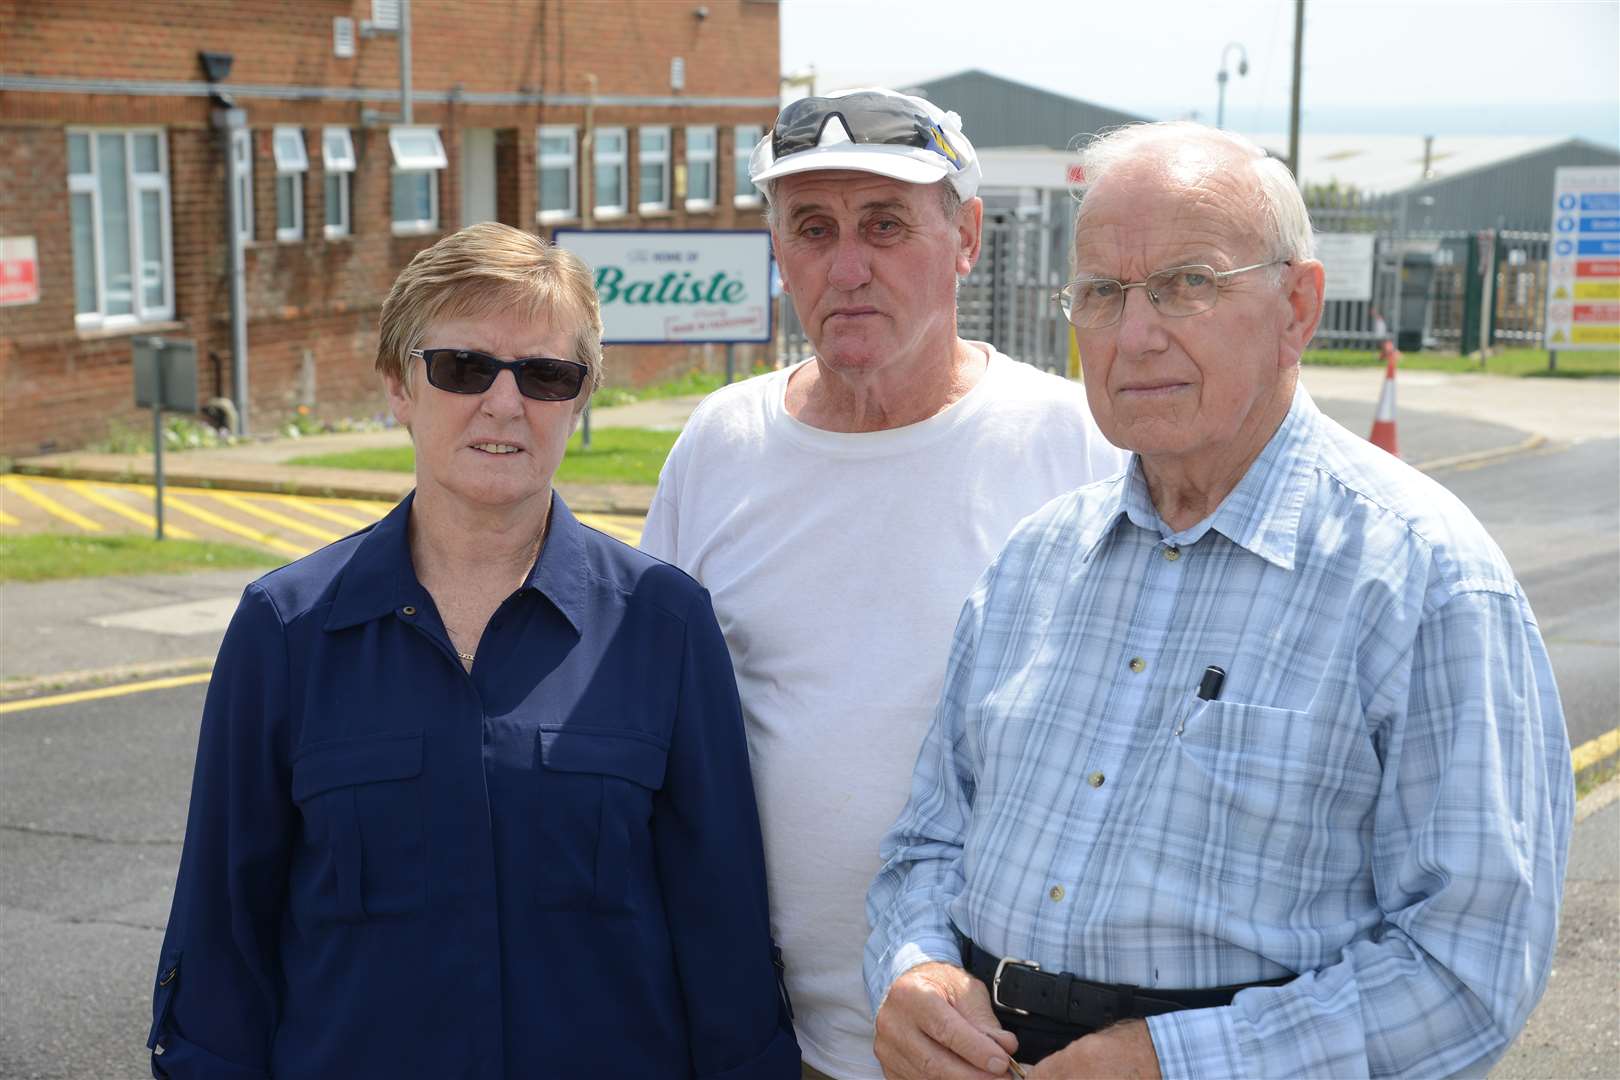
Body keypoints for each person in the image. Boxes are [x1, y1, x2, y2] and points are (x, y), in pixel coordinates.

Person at [865, 121, 1574, 1080]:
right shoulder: (1035, 562)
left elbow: (1468, 968)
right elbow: (928, 841)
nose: (1136, 333)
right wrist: (911, 970)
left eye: (1188, 284)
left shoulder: (1424, 581)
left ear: (1298, 306)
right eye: (1104, 294)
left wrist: (1185, 1062)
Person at [147, 222, 798, 1079]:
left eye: (545, 374)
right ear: (398, 386)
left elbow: (725, 941)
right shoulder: (285, 630)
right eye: (463, 367)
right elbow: (222, 939)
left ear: (580, 397)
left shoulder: (665, 625)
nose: (504, 403)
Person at [639, 89, 1126, 1079]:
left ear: (967, 237)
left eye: (886, 226)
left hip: (1017, 1050)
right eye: (812, 229)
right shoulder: (721, 446)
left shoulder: (1077, 442)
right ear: (777, 249)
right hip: (773, 1044)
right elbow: (650, 733)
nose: (847, 267)